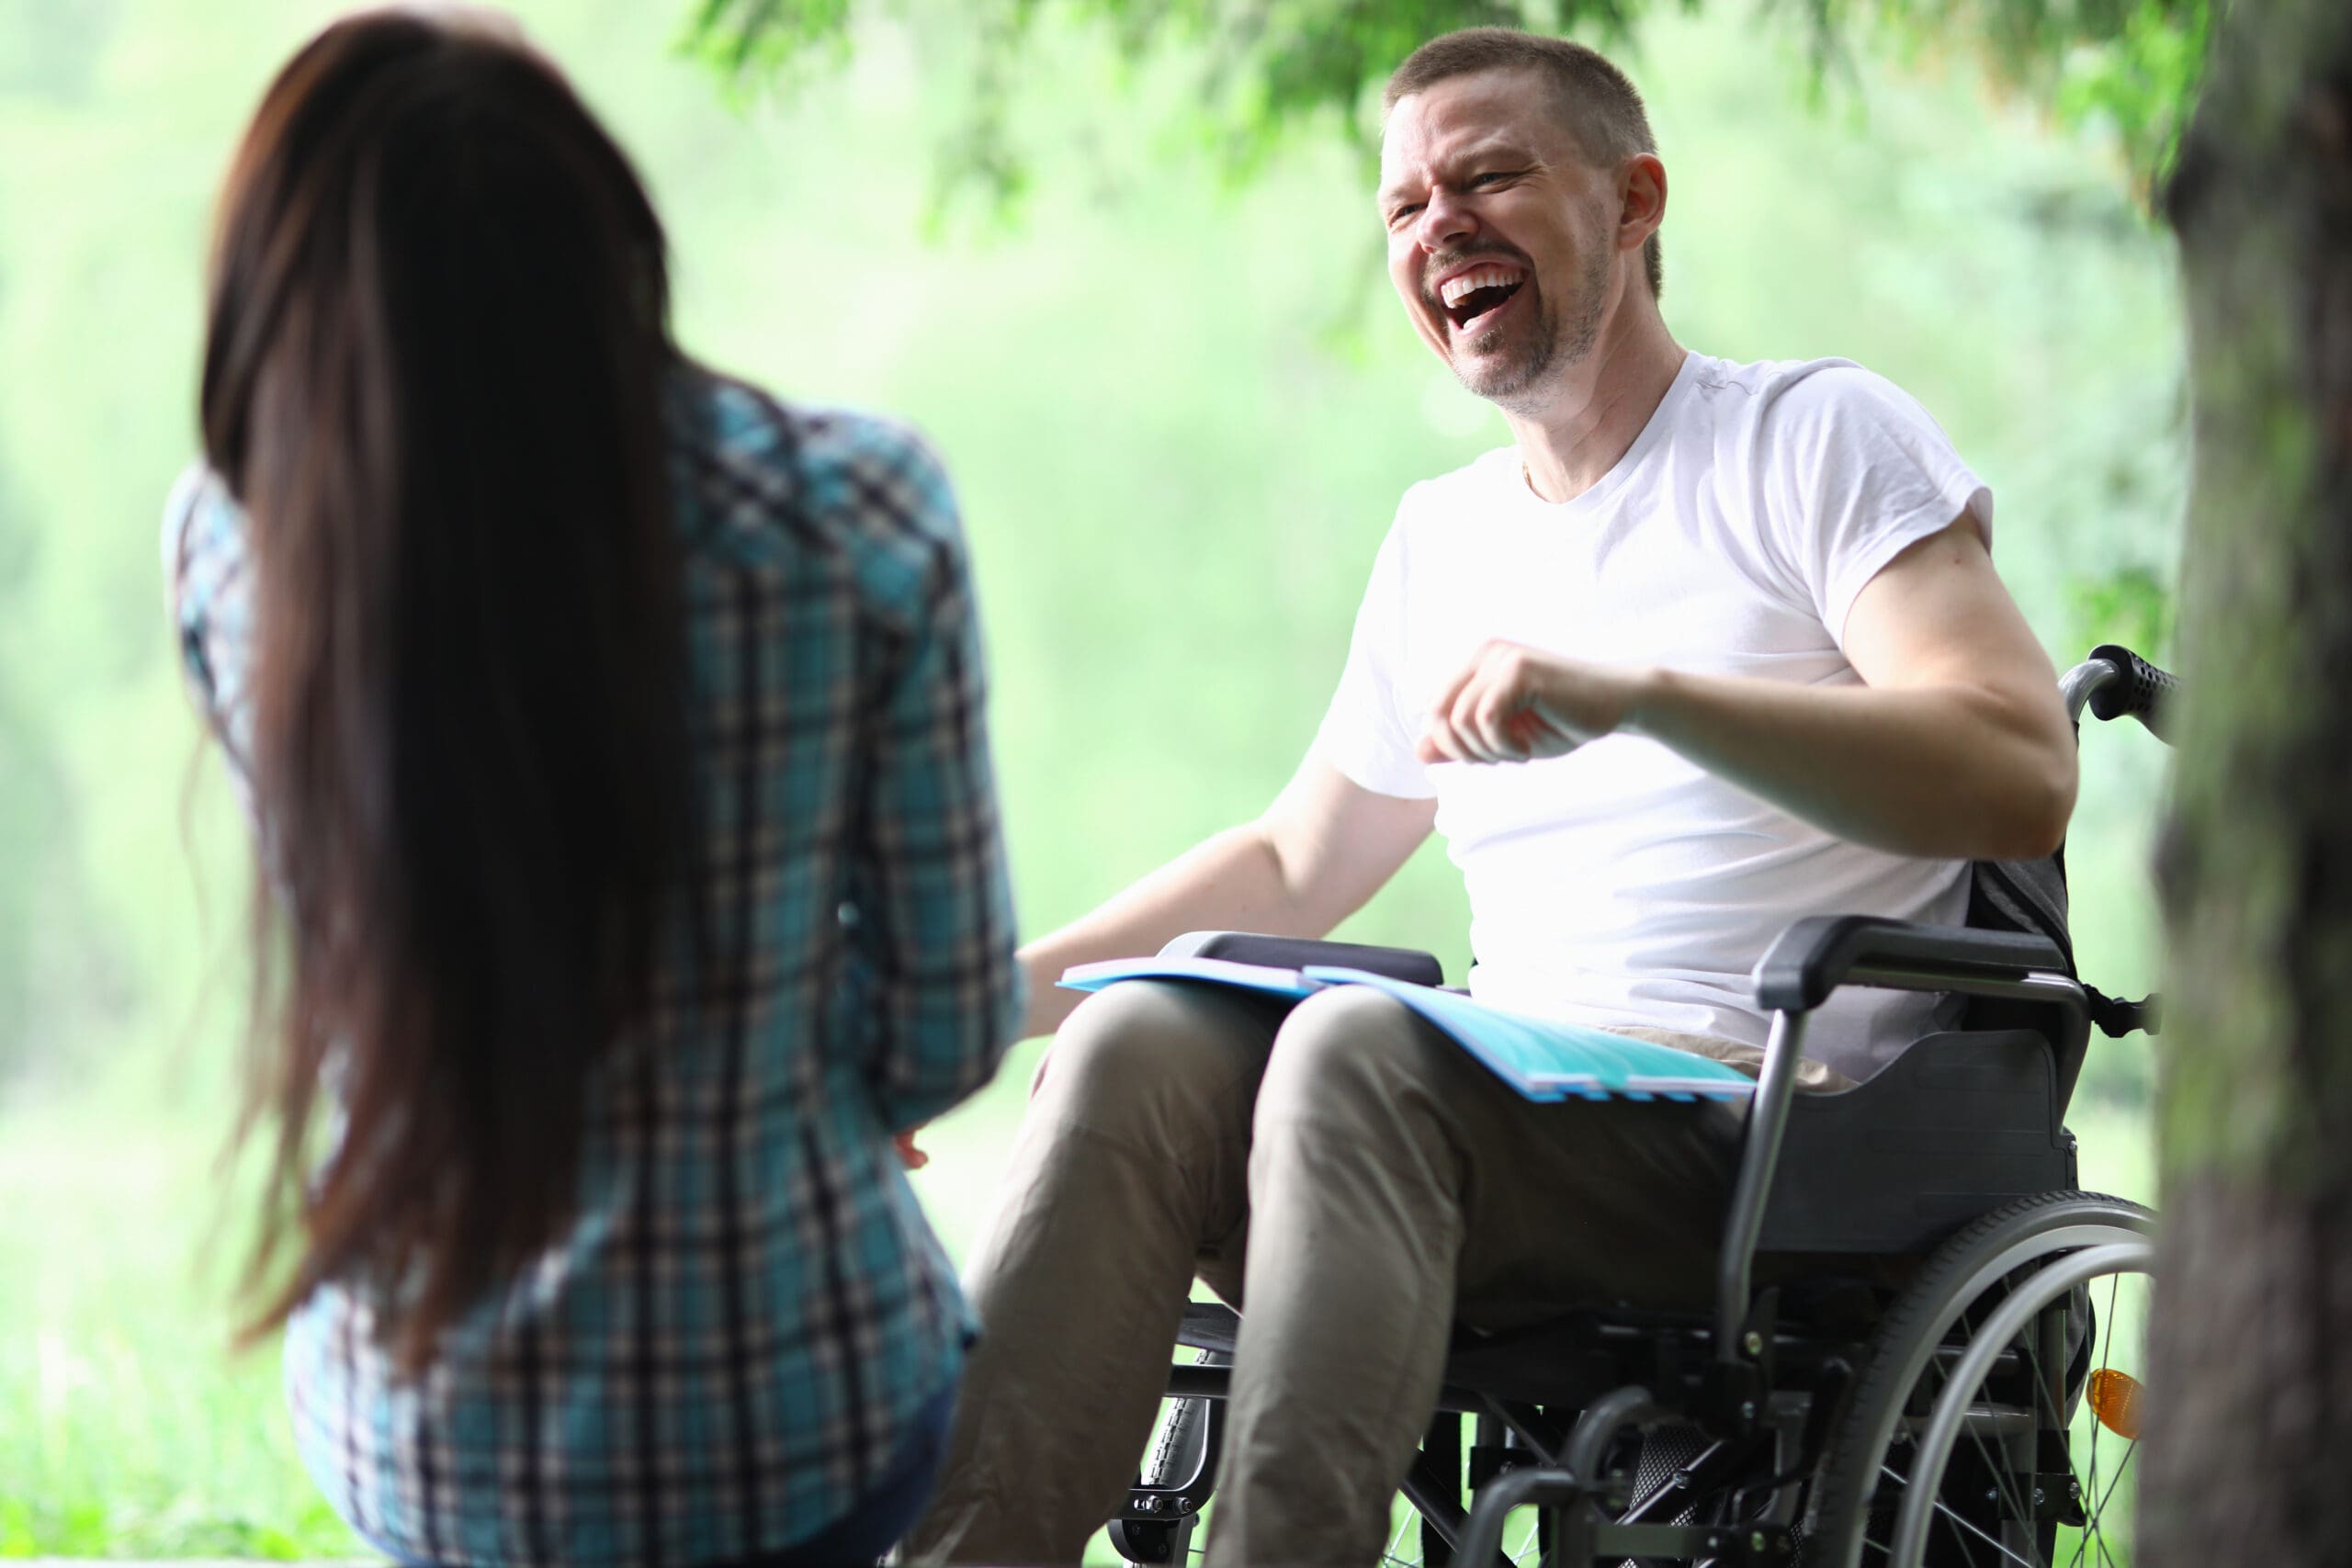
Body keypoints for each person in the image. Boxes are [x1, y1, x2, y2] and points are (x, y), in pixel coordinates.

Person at [903, 26, 2078, 1568]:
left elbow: (2017, 763)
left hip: (1769, 1133)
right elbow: (1295, 856)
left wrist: (1636, 696)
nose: (1437, 226)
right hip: (1489, 1114)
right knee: (1135, 1036)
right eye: (1402, 208)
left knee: (1353, 1044)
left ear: (1634, 201)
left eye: (1490, 177)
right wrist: (966, 1012)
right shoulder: (1441, 538)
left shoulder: (1811, 439)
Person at [163, 8, 1021, 1564]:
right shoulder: (854, 513)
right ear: (602, 220)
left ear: (284, 277)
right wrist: (764, 1040)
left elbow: (364, 960)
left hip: (427, 1438)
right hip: (796, 1416)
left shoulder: (236, 550)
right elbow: (947, 1030)